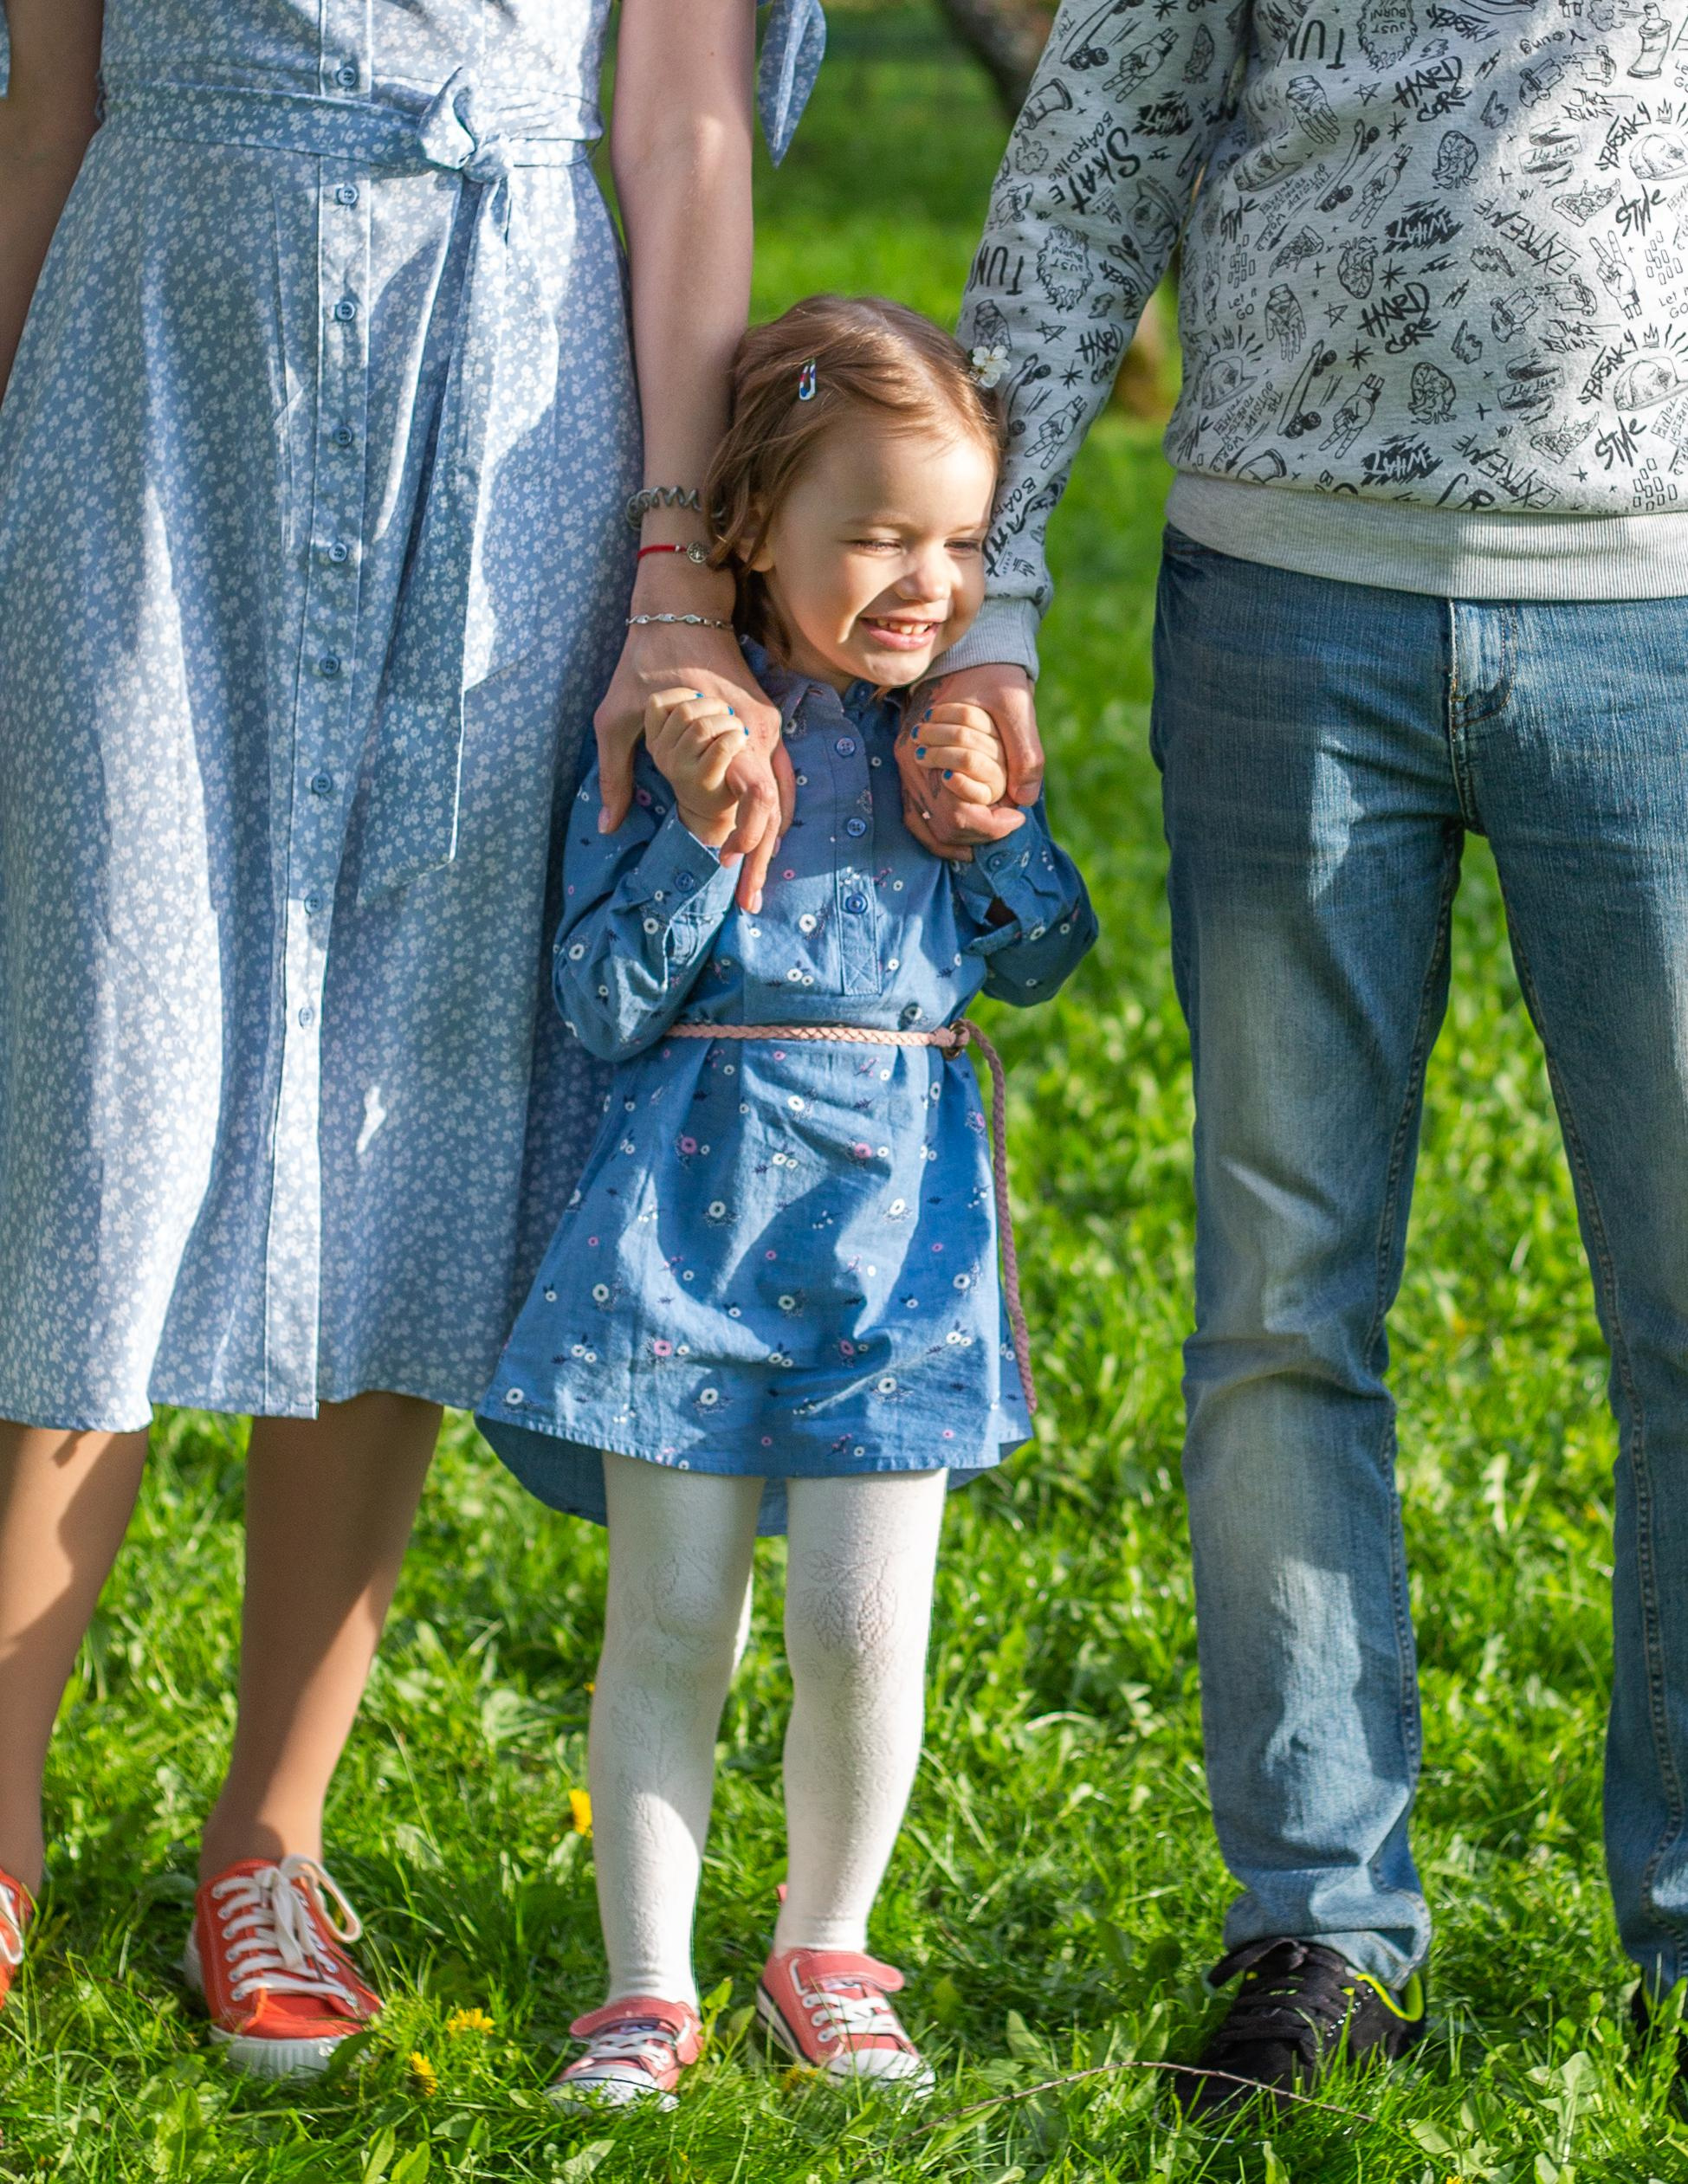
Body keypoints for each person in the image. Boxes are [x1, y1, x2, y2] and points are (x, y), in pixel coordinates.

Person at [0, 0, 822, 2078]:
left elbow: (685, 117)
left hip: (517, 406)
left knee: (405, 1109)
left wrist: (671, 569)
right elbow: (48, 93)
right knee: (104, 1092)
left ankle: (269, 1834)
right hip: (154, 384)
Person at [922, 0, 1688, 2110]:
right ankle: (1319, 1928)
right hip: (1284, 611)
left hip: (1662, 616)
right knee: (1281, 1302)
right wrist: (986, 596)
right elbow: (1093, 162)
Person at [477, 294, 1097, 2110]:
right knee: (674, 1618)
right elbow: (595, 999)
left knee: (860, 1622)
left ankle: (827, 1948)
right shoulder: (677, 726)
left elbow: (1048, 956)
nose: (928, 582)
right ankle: (646, 1988)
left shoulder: (956, 729)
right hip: (687, 1234)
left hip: (898, 1249)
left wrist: (993, 835)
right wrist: (696, 826)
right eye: (881, 536)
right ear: (753, 527)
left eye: (965, 543)